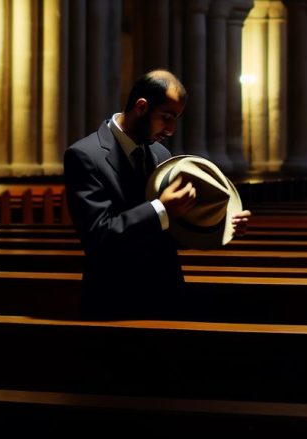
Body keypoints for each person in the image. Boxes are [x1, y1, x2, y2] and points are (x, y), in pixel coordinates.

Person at [64, 69, 251, 319]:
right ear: (141, 107)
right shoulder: (85, 155)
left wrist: (220, 223)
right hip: (113, 300)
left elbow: (172, 233)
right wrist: (161, 209)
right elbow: (98, 237)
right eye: (166, 117)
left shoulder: (161, 155)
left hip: (166, 294)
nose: (171, 129)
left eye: (176, 119)